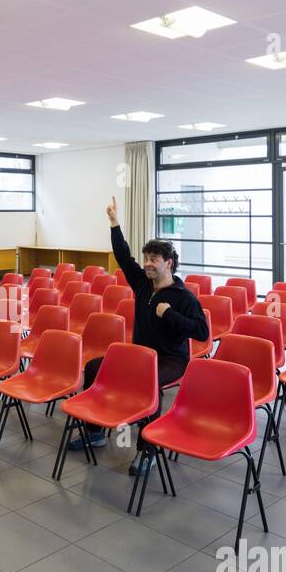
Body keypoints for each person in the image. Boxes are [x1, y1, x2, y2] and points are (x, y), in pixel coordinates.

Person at [68, 196, 210, 466]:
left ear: (168, 263)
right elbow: (123, 256)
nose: (147, 263)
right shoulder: (142, 284)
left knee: (148, 381)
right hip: (139, 354)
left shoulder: (183, 296)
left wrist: (169, 314)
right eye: (146, 258)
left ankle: (148, 449)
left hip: (170, 359)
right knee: (95, 366)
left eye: (153, 259)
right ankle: (95, 433)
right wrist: (114, 223)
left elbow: (202, 332)